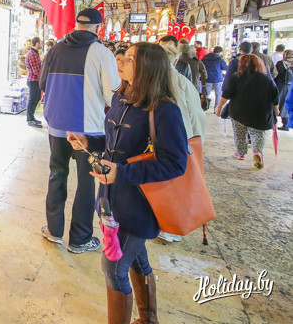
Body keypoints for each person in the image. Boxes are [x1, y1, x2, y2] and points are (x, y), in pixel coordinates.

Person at [67, 43, 188, 324]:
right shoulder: (121, 97)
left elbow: (175, 163)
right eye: (122, 57)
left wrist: (122, 173)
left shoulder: (164, 109)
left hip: (139, 202)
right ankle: (148, 319)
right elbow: (114, 141)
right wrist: (89, 141)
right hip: (111, 195)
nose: (120, 61)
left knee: (113, 266)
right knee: (135, 257)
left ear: (148, 67)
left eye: (130, 59)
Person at [39, 8, 121, 253]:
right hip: (89, 130)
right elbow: (112, 94)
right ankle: (80, 238)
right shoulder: (102, 53)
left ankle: (54, 230)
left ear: (76, 24)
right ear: (98, 27)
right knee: (87, 181)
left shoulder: (55, 49)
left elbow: (43, 83)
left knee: (57, 174)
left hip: (57, 125)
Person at [156, 38, 207, 243]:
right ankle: (171, 226)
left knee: (167, 183)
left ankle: (169, 225)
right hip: (182, 139)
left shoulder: (160, 81)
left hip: (167, 140)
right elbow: (196, 116)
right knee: (175, 183)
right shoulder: (181, 81)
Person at [216, 55, 278, 169]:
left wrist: (219, 107)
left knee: (239, 133)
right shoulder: (266, 79)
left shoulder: (236, 77)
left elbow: (227, 93)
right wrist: (276, 108)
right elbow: (275, 95)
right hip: (260, 112)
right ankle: (257, 152)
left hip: (238, 111)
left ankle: (240, 153)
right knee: (258, 134)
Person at [202, 46, 228, 112]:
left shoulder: (205, 58)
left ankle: (203, 106)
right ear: (220, 52)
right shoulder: (220, 59)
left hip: (208, 78)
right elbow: (225, 67)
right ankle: (216, 109)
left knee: (206, 94)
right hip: (217, 78)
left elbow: (202, 66)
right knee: (218, 94)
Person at [273, 50, 293, 131]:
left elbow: (275, 74)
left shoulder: (280, 63)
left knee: (276, 103)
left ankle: (273, 122)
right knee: (286, 105)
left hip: (280, 86)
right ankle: (285, 123)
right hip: (290, 86)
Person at [26, 37, 44, 127]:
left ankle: (32, 117)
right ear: (37, 43)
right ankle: (29, 119)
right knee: (32, 99)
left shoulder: (35, 53)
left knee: (36, 99)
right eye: (41, 42)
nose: (42, 44)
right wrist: (43, 76)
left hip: (36, 80)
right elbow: (36, 70)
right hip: (33, 80)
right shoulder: (32, 54)